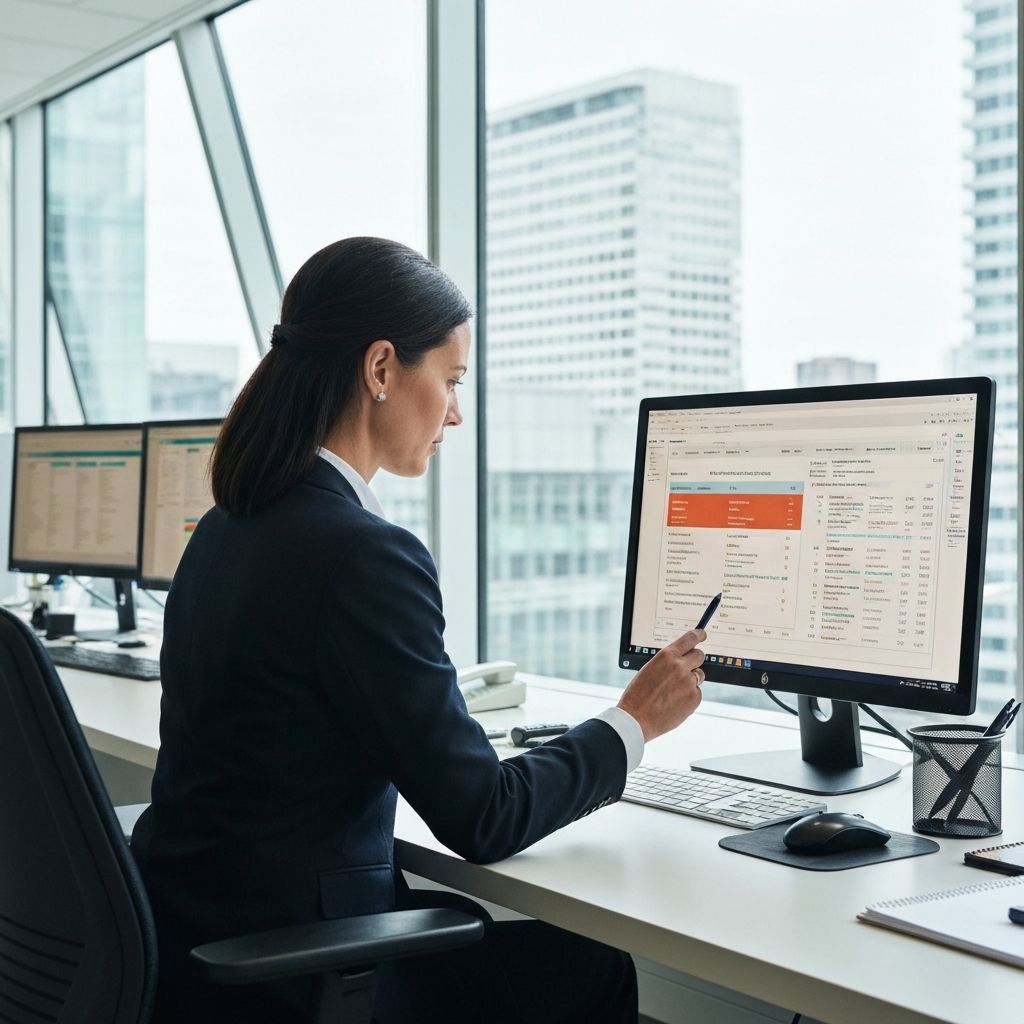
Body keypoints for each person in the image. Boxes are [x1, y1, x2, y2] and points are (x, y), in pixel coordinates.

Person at [131, 237, 706, 1023]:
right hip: (291, 979)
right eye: (452, 379)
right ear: (380, 369)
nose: (456, 412)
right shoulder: (362, 553)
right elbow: (485, 817)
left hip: (192, 948)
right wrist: (634, 721)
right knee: (591, 968)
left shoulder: (227, 523)